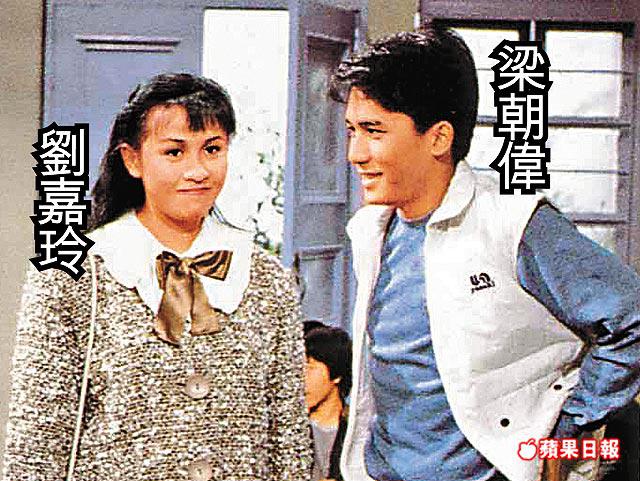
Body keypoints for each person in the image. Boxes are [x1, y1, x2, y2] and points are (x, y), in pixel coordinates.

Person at [329, 25, 640, 481]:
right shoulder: (370, 229)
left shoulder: (515, 222)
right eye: (351, 131)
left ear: (438, 138)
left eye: (374, 131)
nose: (355, 154)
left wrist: (568, 429)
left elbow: (631, 318)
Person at [3, 73, 312, 481]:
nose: (197, 170)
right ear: (132, 160)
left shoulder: (267, 279)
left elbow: (289, 443)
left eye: (212, 149)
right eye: (174, 152)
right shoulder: (72, 276)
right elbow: (36, 444)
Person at [304, 322, 352, 481]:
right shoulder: (287, 428)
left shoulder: (357, 431)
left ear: (336, 374)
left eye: (309, 368)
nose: (299, 379)